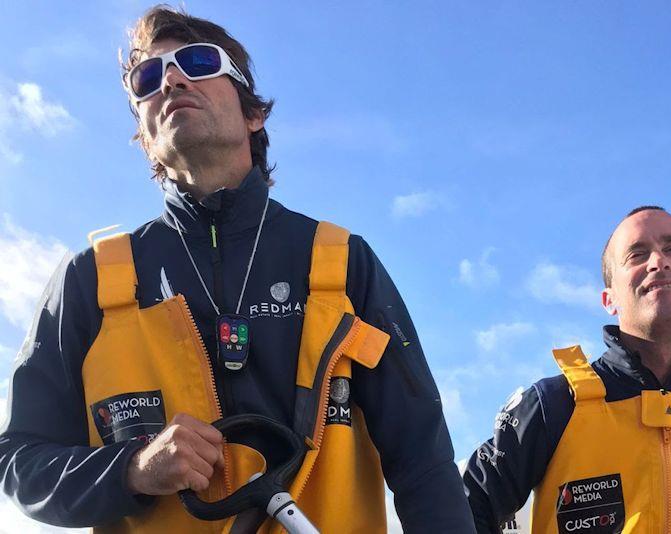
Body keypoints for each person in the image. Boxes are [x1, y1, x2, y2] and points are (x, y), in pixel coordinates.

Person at [0, 6, 475, 533]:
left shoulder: (342, 264)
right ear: (145, 133)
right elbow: (17, 463)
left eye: (198, 62)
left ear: (254, 114)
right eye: (147, 78)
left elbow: (425, 463)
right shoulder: (88, 281)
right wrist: (131, 469)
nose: (173, 78)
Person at [463, 206, 671, 533]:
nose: (658, 261)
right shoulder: (553, 404)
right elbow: (462, 506)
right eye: (637, 255)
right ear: (609, 299)